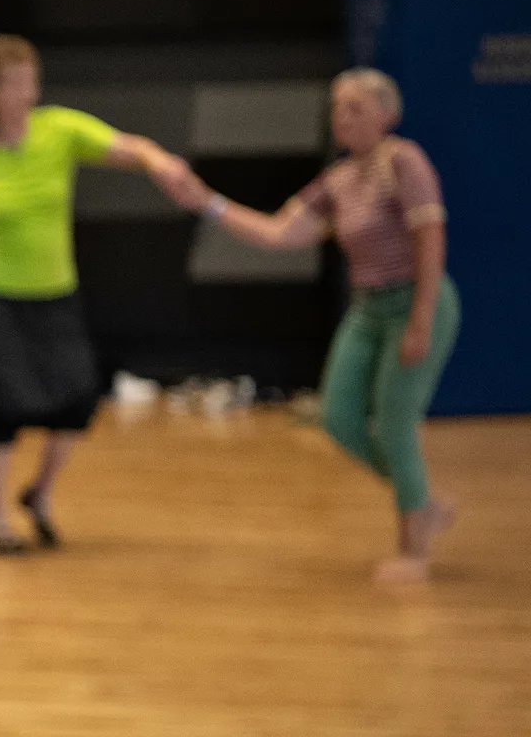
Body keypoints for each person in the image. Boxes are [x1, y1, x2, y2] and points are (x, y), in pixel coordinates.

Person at [0, 34, 198, 553]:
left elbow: (128, 147)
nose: (28, 90)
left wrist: (159, 161)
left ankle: (40, 494)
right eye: (15, 82)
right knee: (1, 406)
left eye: (31, 79)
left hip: (53, 292)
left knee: (76, 398)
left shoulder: (60, 131)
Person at [181, 68, 460, 584]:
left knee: (395, 423)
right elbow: (278, 232)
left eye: (355, 107)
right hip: (369, 308)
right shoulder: (337, 180)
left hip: (414, 301)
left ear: (386, 115)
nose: (342, 117)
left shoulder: (404, 162)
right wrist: (208, 203)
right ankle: (423, 502)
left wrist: (421, 318)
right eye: (337, 106)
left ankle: (414, 551)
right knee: (337, 417)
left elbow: (430, 238)